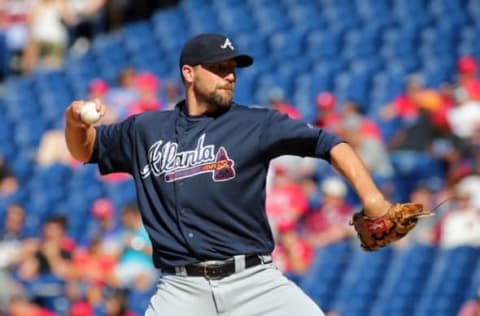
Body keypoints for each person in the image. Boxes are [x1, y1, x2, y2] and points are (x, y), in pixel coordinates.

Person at [64, 33, 396, 316]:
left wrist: (373, 199)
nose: (230, 76)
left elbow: (332, 144)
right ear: (189, 73)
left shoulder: (257, 124)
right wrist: (74, 121)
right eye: (219, 68)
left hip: (254, 282)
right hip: (180, 289)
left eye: (232, 69)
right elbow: (86, 150)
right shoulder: (145, 129)